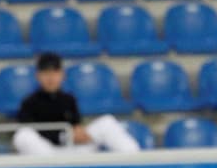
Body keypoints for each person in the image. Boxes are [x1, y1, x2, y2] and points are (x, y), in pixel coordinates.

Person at [12, 52, 140, 155]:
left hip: (74, 151)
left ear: (62, 75)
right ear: (38, 76)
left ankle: (136, 162)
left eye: (55, 72)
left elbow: (76, 125)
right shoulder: (29, 102)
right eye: (46, 73)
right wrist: (64, 136)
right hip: (47, 153)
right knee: (22, 136)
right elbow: (31, 131)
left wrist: (79, 133)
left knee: (107, 122)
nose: (50, 77)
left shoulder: (69, 99)